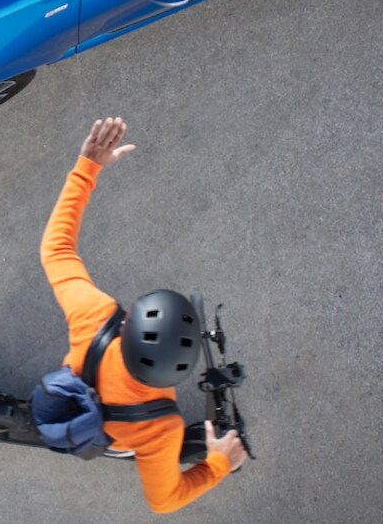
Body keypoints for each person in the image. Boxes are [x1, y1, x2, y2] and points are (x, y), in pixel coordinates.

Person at [39, 117, 246, 514]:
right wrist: (219, 462)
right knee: (126, 450)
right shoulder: (163, 431)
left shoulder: (93, 315)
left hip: (74, 387)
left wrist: (87, 167)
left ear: (128, 320)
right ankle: (118, 451)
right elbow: (164, 501)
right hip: (116, 436)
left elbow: (57, 249)